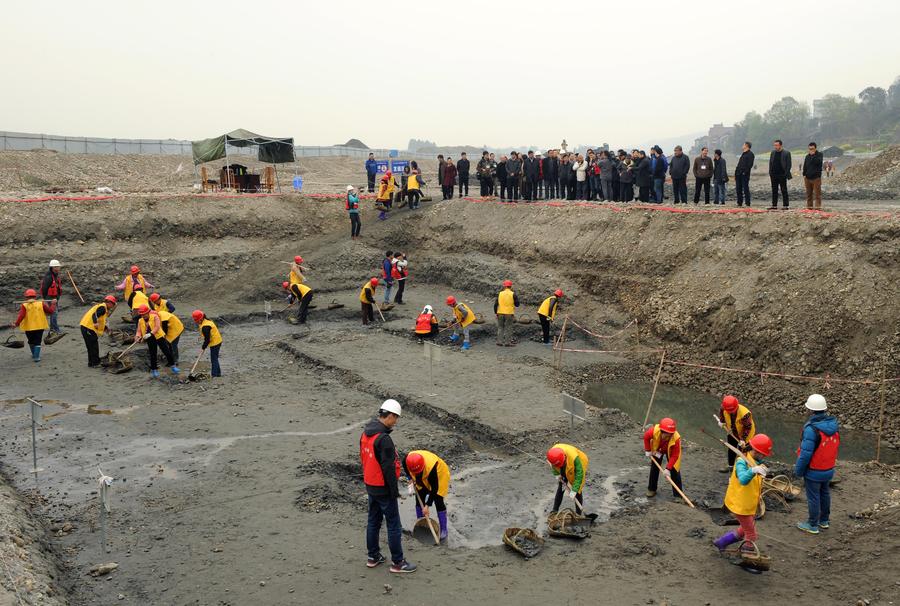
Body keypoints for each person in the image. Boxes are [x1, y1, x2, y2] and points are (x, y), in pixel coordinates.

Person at [361, 399, 416, 573]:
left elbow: (363, 458)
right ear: (390, 416)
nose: (396, 422)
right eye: (396, 418)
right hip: (383, 487)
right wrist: (394, 491)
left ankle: (373, 556)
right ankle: (398, 563)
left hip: (370, 484)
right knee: (393, 525)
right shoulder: (384, 439)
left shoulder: (365, 434)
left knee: (373, 521)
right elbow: (388, 468)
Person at [713, 434, 774, 554]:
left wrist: (760, 471)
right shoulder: (742, 461)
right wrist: (753, 470)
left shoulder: (755, 461)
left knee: (743, 530)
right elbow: (743, 479)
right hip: (740, 505)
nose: (764, 457)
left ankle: (722, 542)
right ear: (756, 451)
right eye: (763, 454)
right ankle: (747, 557)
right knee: (751, 535)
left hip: (747, 504)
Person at [795, 394, 840, 534]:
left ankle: (812, 524)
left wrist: (798, 471)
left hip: (814, 471)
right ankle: (824, 521)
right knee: (825, 493)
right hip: (828, 469)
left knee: (813, 497)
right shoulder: (833, 425)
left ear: (811, 410)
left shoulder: (811, 429)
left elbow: (805, 454)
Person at [403, 450, 451, 541]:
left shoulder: (431, 467)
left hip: (439, 474)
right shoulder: (407, 460)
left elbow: (434, 488)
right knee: (419, 496)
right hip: (420, 473)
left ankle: (444, 530)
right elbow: (405, 466)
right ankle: (420, 523)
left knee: (438, 499)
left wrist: (427, 506)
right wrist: (409, 478)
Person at [643, 417, 683, 498]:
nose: (668, 438)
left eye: (670, 436)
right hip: (658, 449)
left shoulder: (676, 439)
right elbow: (646, 437)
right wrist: (648, 450)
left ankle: (678, 496)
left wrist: (668, 468)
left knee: (674, 470)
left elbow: (675, 455)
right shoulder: (654, 431)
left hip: (671, 451)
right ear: (661, 432)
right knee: (654, 467)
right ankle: (652, 489)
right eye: (666, 436)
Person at [11, 289, 55, 363]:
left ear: (26, 297)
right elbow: (51, 311)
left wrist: (16, 324)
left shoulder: (24, 305)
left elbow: (21, 316)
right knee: (37, 341)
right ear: (35, 296)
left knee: (31, 341)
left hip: (28, 327)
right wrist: (53, 304)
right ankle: (36, 356)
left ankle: (34, 354)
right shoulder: (41, 303)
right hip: (40, 326)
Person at [134, 304, 178, 378]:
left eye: (144, 314)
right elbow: (138, 331)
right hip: (150, 339)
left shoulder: (155, 317)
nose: (143, 316)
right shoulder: (140, 321)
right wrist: (137, 336)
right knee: (153, 354)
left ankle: (173, 366)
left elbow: (157, 327)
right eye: (142, 314)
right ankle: (154, 370)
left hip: (159, 336)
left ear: (148, 312)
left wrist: (150, 333)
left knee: (166, 351)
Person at [715, 395, 756, 472]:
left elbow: (747, 427)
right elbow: (721, 413)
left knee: (743, 451)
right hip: (732, 430)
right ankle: (731, 466)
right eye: (729, 411)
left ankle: (743, 469)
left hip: (745, 433)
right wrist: (722, 421)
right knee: (731, 447)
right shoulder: (724, 407)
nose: (731, 412)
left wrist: (743, 439)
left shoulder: (745, 413)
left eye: (733, 410)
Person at [546, 443, 589, 514]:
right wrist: (557, 474)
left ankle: (578, 513)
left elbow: (579, 474)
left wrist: (574, 489)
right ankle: (554, 510)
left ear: (564, 457)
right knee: (561, 486)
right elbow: (553, 465)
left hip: (579, 463)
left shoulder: (574, 457)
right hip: (562, 462)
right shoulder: (552, 454)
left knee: (578, 491)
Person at [80, 295, 117, 367]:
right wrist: (95, 323)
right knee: (94, 345)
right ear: (109, 302)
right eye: (113, 304)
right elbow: (95, 315)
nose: (112, 306)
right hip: (88, 327)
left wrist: (105, 328)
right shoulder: (103, 308)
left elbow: (101, 320)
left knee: (90, 346)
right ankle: (96, 363)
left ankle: (91, 363)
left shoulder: (102, 307)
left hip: (85, 326)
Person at [192, 309, 222, 377]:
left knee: (214, 359)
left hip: (215, 342)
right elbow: (206, 336)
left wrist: (203, 347)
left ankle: (214, 375)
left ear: (201, 318)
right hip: (217, 340)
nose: (196, 322)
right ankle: (218, 374)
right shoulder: (206, 320)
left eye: (197, 320)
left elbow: (207, 340)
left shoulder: (206, 326)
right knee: (215, 358)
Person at [40, 259, 64, 335]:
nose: (59, 268)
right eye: (57, 267)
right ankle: (55, 329)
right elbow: (44, 288)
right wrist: (45, 298)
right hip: (50, 298)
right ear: (53, 268)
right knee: (54, 313)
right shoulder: (49, 277)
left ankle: (53, 329)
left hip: (54, 298)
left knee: (53, 313)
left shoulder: (55, 275)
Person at [493, 280, 519, 347]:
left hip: (500, 313)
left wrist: (496, 313)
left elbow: (495, 304)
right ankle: (508, 342)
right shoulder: (513, 294)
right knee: (508, 327)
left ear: (504, 286)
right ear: (511, 286)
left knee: (500, 327)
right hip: (509, 313)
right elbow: (517, 304)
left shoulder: (500, 294)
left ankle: (499, 341)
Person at [769, 139, 792, 210]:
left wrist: (786, 174)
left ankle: (785, 205)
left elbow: (789, 165)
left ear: (780, 145)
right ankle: (774, 205)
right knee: (774, 190)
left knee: (784, 190)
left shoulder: (786, 153)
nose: (775, 147)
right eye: (774, 145)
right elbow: (771, 163)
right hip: (774, 175)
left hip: (782, 174)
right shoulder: (773, 153)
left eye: (777, 145)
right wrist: (770, 172)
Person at [802, 142, 824, 210]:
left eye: (812, 149)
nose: (811, 150)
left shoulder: (819, 155)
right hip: (807, 178)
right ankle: (809, 208)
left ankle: (818, 208)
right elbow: (805, 165)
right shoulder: (807, 156)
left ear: (815, 148)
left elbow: (819, 162)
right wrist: (804, 174)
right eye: (809, 149)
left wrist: (813, 155)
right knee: (809, 194)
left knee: (817, 194)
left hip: (816, 178)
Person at [734, 141, 754, 207]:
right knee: (738, 189)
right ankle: (739, 203)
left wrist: (744, 172)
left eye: (743, 145)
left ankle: (747, 203)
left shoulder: (750, 154)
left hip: (744, 175)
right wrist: (736, 173)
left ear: (746, 146)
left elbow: (749, 165)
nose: (742, 146)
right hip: (738, 174)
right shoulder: (743, 154)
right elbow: (740, 164)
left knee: (745, 189)